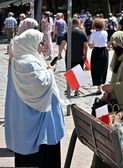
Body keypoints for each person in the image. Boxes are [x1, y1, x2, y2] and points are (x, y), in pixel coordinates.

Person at [5, 29, 65, 167]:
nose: (42, 46)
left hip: (27, 116)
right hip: (38, 120)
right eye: (40, 43)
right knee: (42, 156)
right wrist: (50, 71)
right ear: (30, 43)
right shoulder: (28, 62)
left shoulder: (21, 58)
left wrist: (46, 69)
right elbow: (40, 84)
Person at [59, 18, 88, 97]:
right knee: (78, 73)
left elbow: (63, 43)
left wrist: (59, 53)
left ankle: (70, 88)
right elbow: (86, 45)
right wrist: (85, 55)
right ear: (78, 24)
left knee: (70, 72)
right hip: (79, 56)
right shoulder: (82, 33)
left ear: (72, 24)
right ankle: (77, 90)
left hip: (69, 57)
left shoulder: (68, 33)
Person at [88, 18, 108, 95]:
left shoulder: (93, 34)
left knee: (96, 68)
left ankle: (99, 87)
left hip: (96, 51)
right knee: (103, 67)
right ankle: (102, 84)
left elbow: (90, 46)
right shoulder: (105, 33)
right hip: (104, 51)